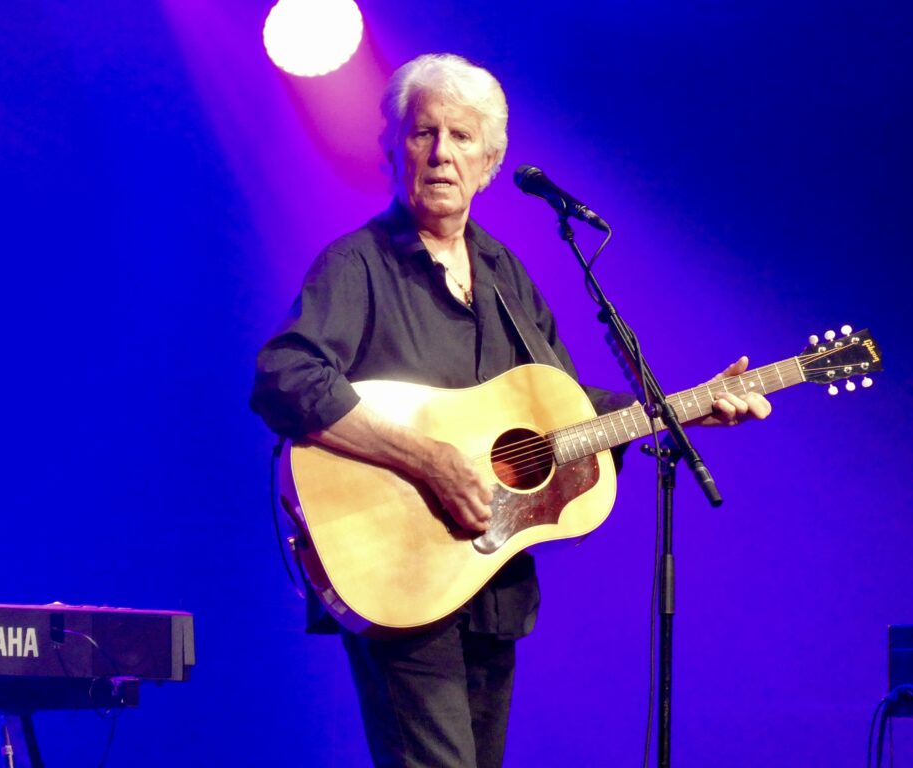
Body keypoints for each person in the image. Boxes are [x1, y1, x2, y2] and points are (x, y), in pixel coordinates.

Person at [250, 53, 771, 768]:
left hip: (490, 584)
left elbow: (564, 410)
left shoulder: (504, 276)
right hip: (397, 572)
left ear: (491, 162)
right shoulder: (358, 264)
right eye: (421, 133)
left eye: (461, 137)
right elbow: (283, 376)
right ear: (392, 150)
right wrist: (426, 458)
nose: (440, 154)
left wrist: (683, 411)